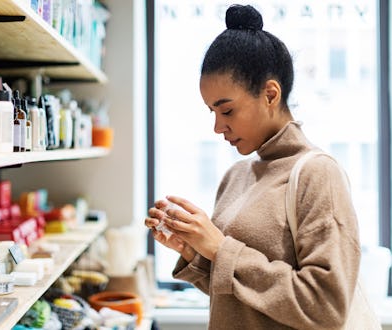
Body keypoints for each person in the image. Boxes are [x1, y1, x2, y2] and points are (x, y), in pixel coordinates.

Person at [145, 4, 361, 329]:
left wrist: (220, 249)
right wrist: (195, 253)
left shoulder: (318, 174)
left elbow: (325, 306)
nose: (218, 127)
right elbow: (240, 298)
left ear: (270, 94)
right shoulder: (237, 175)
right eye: (212, 112)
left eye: (227, 111)